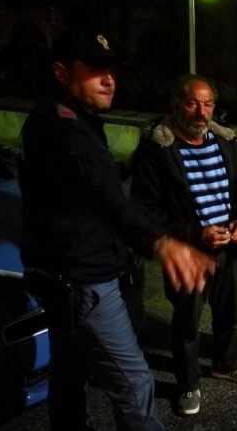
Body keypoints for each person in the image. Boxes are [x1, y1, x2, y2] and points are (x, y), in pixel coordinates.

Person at [19, 26, 216, 431]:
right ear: (62, 72)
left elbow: (89, 187)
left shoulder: (68, 119)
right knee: (135, 382)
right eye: (95, 70)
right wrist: (161, 243)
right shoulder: (63, 128)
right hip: (85, 281)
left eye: (111, 70)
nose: (109, 80)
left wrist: (129, 167)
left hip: (64, 279)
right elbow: (107, 198)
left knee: (69, 373)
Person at [131, 75, 237, 416]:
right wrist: (195, 234)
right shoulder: (158, 150)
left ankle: (225, 364)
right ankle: (187, 384)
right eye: (192, 103)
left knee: (228, 313)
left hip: (226, 248)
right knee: (187, 322)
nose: (202, 112)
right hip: (188, 252)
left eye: (208, 104)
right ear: (176, 104)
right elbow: (146, 210)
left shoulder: (226, 143)